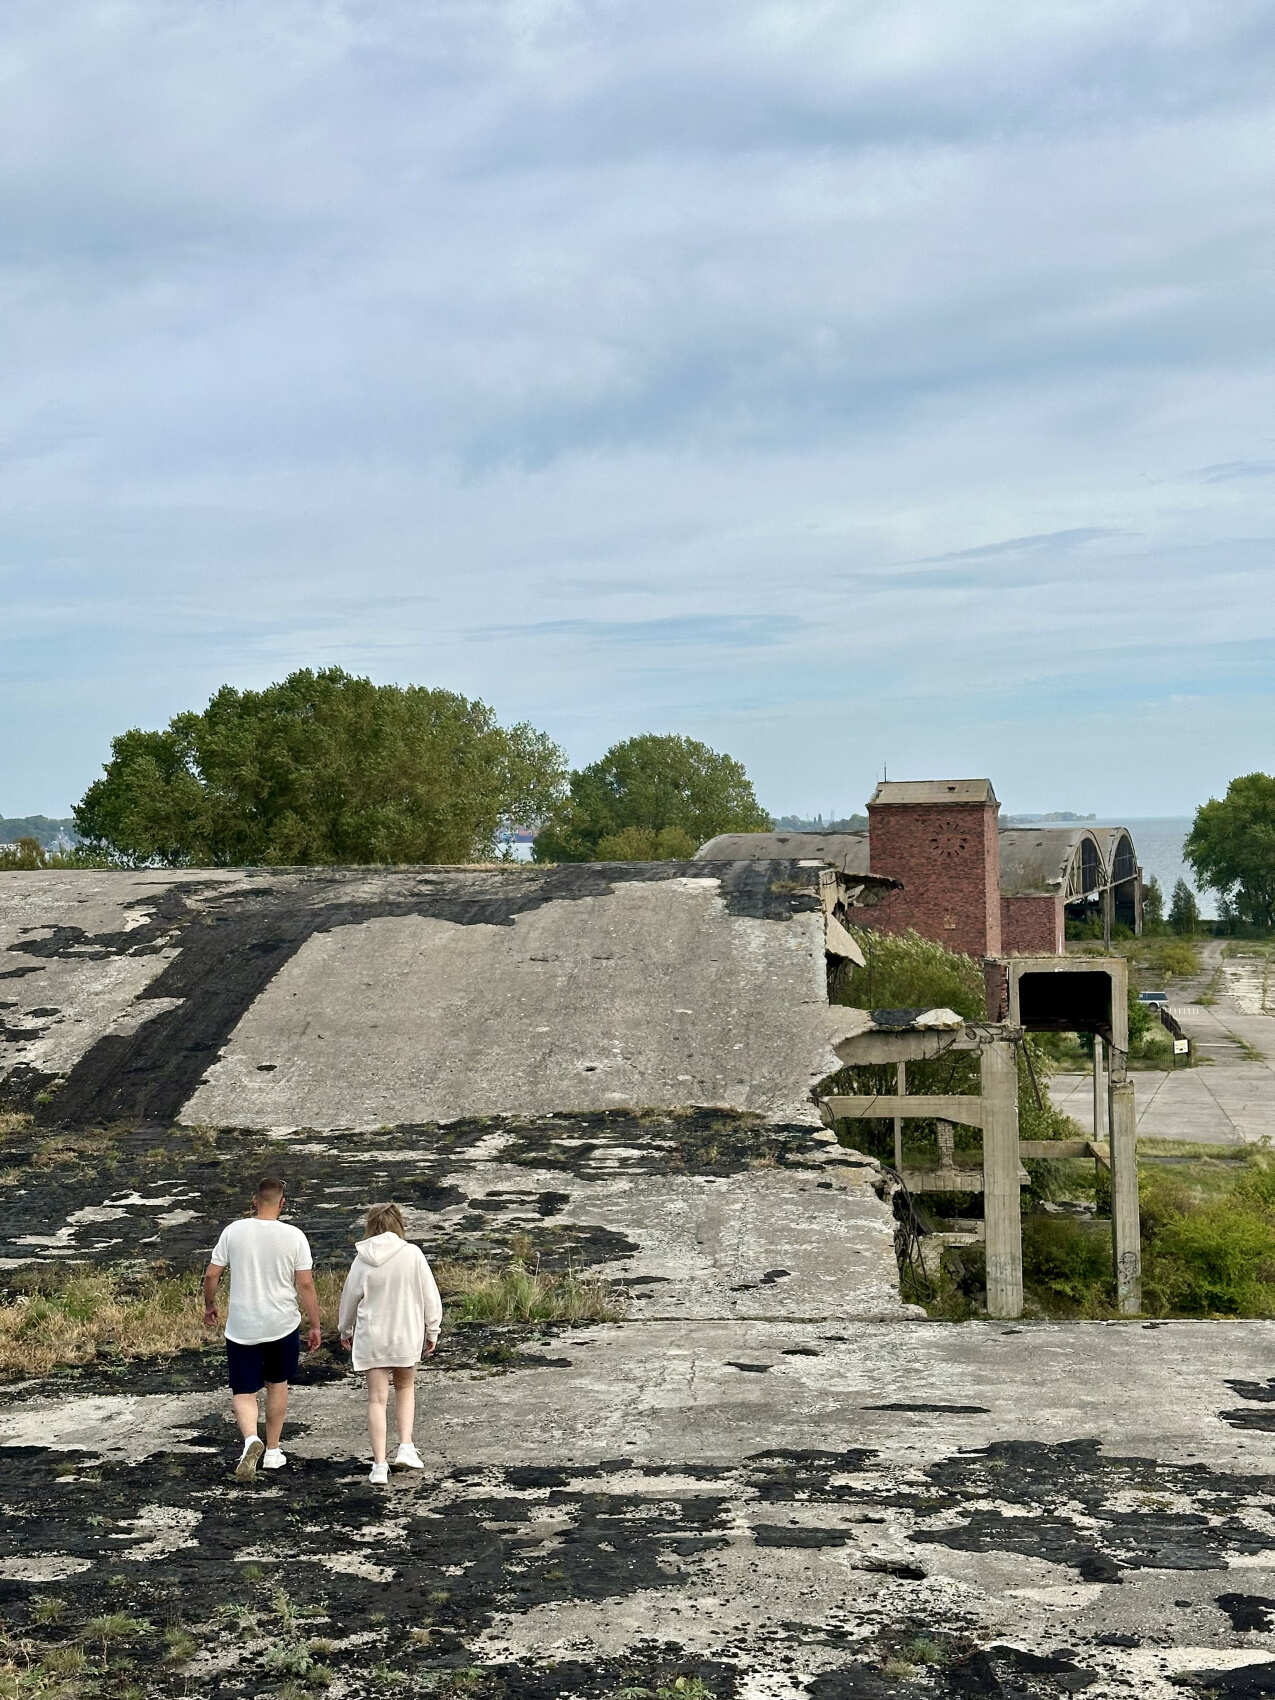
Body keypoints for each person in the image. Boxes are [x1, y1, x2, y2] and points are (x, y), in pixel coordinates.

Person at [202, 1176, 321, 1481]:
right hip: (282, 1324)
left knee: (243, 1391)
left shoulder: (233, 1231)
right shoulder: (294, 1236)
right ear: (282, 1203)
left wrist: (210, 1305)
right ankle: (273, 1450)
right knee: (277, 1383)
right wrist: (315, 1324)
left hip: (243, 1326)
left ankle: (250, 1440)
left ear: (254, 1200)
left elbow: (212, 1275)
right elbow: (305, 1284)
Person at [338, 1203, 442, 1484]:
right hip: (406, 1333)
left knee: (376, 1399)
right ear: (399, 1224)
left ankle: (379, 1465)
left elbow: (349, 1298)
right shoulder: (412, 1254)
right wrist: (432, 1330)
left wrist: (345, 1329)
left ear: (370, 1225)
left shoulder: (362, 1259)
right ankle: (406, 1446)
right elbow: (430, 1296)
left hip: (373, 1336)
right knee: (405, 1388)